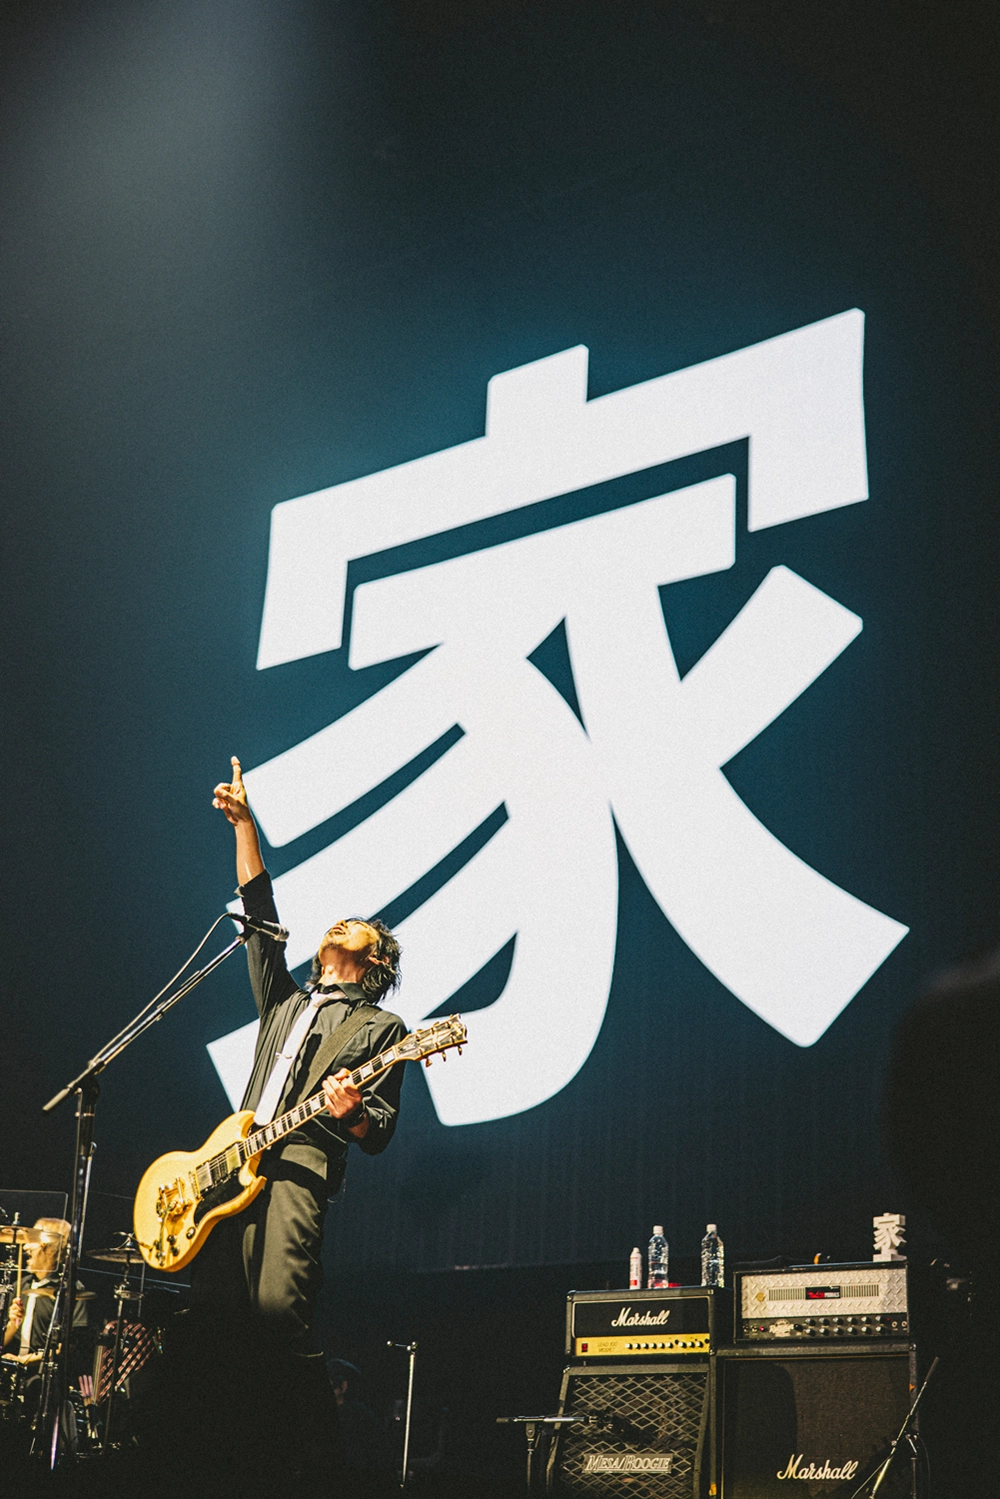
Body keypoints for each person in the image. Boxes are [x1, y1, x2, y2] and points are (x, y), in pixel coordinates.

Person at [196, 755, 408, 1348]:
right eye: (338, 921)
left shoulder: (380, 1026)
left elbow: (380, 1129)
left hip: (298, 1171)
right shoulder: (285, 1001)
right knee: (214, 1319)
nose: (340, 923)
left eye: (357, 926)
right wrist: (244, 825)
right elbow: (259, 915)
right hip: (229, 1167)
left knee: (277, 1315)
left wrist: (353, 1113)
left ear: (376, 959)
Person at [3, 1217, 90, 1359]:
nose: (25, 1247)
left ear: (50, 1248)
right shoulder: (19, 1285)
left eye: (32, 1241)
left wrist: (25, 1361)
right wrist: (12, 1325)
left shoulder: (72, 1290)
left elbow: (70, 1347)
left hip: (42, 1371)